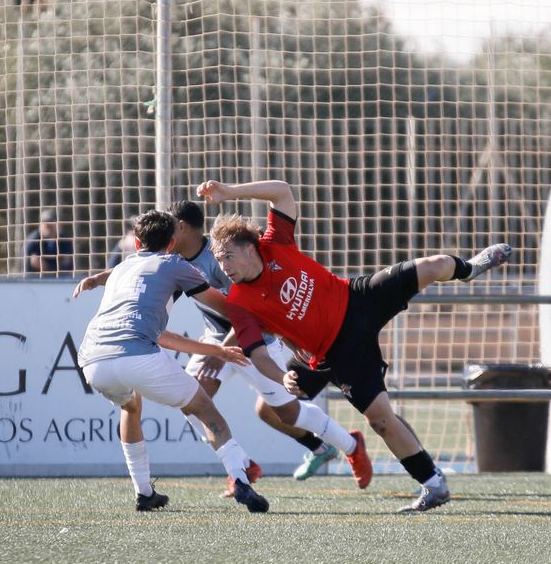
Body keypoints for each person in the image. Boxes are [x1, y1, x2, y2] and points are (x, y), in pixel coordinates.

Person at [201, 177, 511, 513]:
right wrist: (280, 377)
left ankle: (468, 270)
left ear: (251, 248)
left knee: (435, 265)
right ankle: (434, 485)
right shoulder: (238, 303)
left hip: (358, 299)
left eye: (228, 257)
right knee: (380, 419)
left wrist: (230, 192)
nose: (224, 267)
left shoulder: (275, 243)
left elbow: (283, 191)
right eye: (219, 261)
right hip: (337, 353)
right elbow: (257, 354)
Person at [74, 200, 370, 498]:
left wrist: (222, 352)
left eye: (171, 228)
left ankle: (351, 445)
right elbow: (135, 269)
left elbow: (243, 312)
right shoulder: (173, 262)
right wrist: (98, 278)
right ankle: (240, 466)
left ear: (182, 228)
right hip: (218, 339)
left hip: (254, 340)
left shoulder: (219, 260)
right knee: (192, 403)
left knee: (286, 412)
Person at [75, 209, 269, 513]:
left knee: (130, 406)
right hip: (137, 355)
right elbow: (227, 308)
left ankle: (144, 493)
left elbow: (160, 335)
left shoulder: (123, 269)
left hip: (92, 360)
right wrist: (269, 319)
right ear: (172, 242)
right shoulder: (175, 263)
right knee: (206, 410)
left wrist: (217, 351)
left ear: (137, 243)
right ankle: (240, 480)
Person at [24, 209, 75, 278]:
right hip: (37, 278)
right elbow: (31, 263)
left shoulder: (64, 239)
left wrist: (47, 268)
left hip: (61, 278)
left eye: (51, 222)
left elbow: (67, 263)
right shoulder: (33, 240)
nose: (48, 226)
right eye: (45, 222)